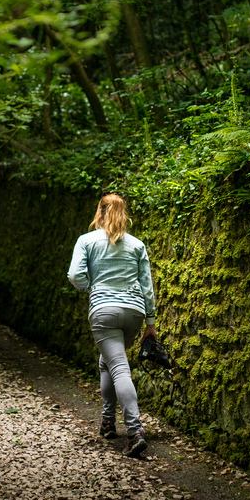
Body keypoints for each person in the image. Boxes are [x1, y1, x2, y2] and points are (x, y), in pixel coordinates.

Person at [67, 192, 157, 458]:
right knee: (108, 361)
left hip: (104, 311)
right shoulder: (137, 245)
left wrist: (91, 287)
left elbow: (75, 275)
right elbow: (147, 287)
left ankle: (135, 430)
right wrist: (150, 322)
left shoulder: (87, 240)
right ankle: (107, 421)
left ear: (100, 211)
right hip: (134, 312)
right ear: (123, 212)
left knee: (118, 367)